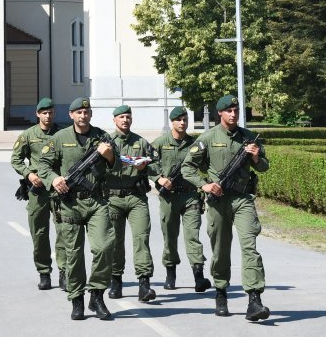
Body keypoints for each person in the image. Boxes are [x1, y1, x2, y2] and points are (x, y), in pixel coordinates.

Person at [181, 94, 270, 321]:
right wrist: (205, 185)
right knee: (220, 250)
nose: (233, 114)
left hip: (242, 199)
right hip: (218, 201)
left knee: (250, 246)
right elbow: (187, 168)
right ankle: (221, 292)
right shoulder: (208, 137)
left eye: (236, 110)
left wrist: (257, 157)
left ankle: (254, 299)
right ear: (220, 113)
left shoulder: (248, 137)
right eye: (229, 110)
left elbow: (264, 167)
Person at [37, 97, 117, 321]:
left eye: (87, 111)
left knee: (104, 247)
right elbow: (43, 165)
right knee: (73, 255)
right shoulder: (59, 138)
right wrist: (54, 179)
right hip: (69, 202)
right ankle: (77, 299)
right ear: (71, 115)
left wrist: (107, 153)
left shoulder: (101, 136)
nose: (83, 115)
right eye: (79, 112)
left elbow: (116, 163)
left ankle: (97, 295)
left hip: (96, 201)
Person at [150, 106, 211, 293]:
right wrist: (158, 178)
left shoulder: (195, 144)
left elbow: (207, 163)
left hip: (191, 195)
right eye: (179, 120)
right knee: (169, 237)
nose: (183, 123)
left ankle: (198, 275)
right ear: (172, 122)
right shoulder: (160, 143)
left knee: (192, 236)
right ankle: (170, 272)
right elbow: (149, 163)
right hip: (169, 197)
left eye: (185, 119)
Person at [11, 97, 67, 291]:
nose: (48, 116)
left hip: (59, 190)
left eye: (50, 112)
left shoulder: (62, 133)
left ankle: (64, 271)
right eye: (44, 113)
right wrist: (29, 174)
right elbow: (16, 160)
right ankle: (44, 272)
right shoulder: (28, 135)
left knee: (63, 231)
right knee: (39, 233)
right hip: (38, 191)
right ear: (37, 114)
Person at [105, 105, 156, 302]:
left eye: (128, 117)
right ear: (114, 120)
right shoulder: (107, 142)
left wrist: (146, 167)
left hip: (136, 198)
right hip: (113, 198)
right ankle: (116, 280)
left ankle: (144, 284)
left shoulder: (141, 142)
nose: (125, 120)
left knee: (141, 238)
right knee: (116, 241)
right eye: (121, 117)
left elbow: (155, 164)